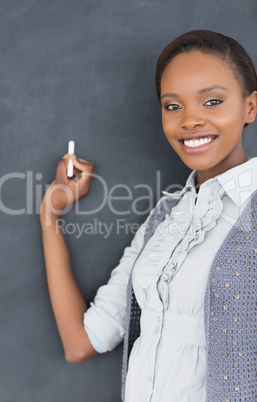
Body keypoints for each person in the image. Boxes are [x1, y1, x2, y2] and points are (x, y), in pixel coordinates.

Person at [39, 30, 257, 402]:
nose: (190, 120)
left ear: (250, 107)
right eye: (173, 106)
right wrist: (50, 212)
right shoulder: (164, 217)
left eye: (212, 101)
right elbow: (81, 342)